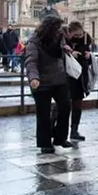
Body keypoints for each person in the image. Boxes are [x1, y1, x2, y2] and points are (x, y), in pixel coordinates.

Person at [25, 14, 72, 154]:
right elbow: (31, 61)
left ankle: (60, 138)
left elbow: (61, 47)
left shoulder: (59, 36)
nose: (59, 30)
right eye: (56, 28)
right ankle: (45, 143)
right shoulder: (34, 42)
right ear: (48, 28)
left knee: (65, 107)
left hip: (59, 79)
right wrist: (33, 78)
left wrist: (66, 48)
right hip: (41, 82)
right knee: (43, 113)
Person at [54, 21, 93, 141]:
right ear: (70, 33)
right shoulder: (63, 39)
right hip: (66, 75)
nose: (79, 37)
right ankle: (53, 128)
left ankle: (74, 130)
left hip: (80, 76)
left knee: (77, 103)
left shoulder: (86, 39)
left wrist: (88, 56)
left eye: (80, 34)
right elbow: (56, 54)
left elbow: (88, 61)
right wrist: (70, 52)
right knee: (62, 104)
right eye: (76, 35)